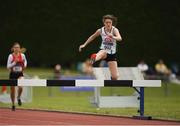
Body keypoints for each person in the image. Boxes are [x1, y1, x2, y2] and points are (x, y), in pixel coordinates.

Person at [79, 14, 122, 80]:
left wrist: (113, 36)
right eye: (106, 22)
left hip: (112, 55)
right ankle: (94, 58)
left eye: (109, 22)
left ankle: (112, 78)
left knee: (115, 77)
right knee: (102, 53)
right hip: (104, 51)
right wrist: (84, 44)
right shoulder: (100, 30)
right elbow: (92, 37)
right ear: (104, 23)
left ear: (112, 23)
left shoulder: (114, 30)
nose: (108, 24)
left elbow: (120, 38)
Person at [7, 42, 27, 111]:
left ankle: (18, 97)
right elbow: (8, 66)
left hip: (20, 73)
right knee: (12, 90)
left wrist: (24, 66)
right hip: (12, 74)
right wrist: (14, 62)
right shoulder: (10, 56)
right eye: (15, 47)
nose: (17, 48)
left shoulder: (22, 55)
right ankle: (13, 104)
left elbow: (25, 62)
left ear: (19, 48)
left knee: (21, 86)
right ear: (13, 49)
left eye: (18, 47)